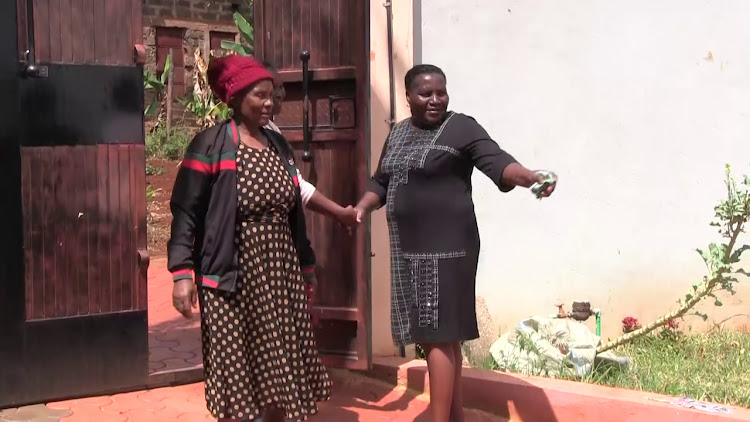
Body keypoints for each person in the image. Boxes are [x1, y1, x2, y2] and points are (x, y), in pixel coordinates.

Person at [352, 64, 557, 422]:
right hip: (410, 250)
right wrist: (360, 208)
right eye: (425, 93)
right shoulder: (398, 133)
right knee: (441, 337)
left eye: (441, 92)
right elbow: (381, 182)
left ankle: (439, 418)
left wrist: (529, 177)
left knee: (437, 335)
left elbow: (498, 162)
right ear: (408, 97)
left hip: (449, 248)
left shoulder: (461, 126)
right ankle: (455, 415)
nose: (435, 100)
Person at [168, 54, 331, 422]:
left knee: (278, 365)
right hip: (230, 273)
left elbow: (293, 212)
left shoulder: (277, 146)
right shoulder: (210, 145)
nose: (269, 103)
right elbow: (185, 212)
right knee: (234, 366)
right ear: (237, 97)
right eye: (260, 95)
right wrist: (181, 274)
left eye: (271, 95)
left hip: (279, 273)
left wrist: (306, 265)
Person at [262, 61, 359, 228]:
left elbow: (296, 183)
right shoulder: (243, 138)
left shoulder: (272, 131)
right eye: (272, 90)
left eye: (280, 87)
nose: (280, 94)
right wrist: (340, 214)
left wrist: (340, 214)